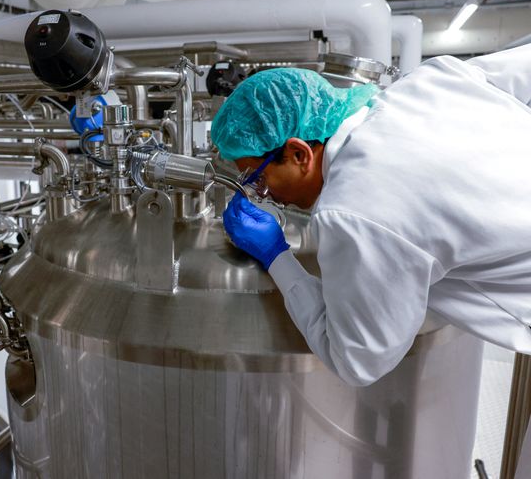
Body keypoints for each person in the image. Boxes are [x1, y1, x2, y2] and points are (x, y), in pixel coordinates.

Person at [212, 44, 531, 387]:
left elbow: (358, 361)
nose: (261, 193)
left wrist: (276, 257)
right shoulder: (436, 79)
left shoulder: (352, 212)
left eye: (257, 177)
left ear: (298, 153)